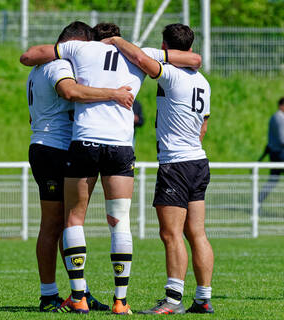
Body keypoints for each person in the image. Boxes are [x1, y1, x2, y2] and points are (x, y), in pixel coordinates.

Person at [20, 21, 202, 315]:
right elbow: (194, 59)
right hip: (117, 146)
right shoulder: (140, 54)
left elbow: (28, 56)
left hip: (80, 142)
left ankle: (78, 296)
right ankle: (120, 301)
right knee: (119, 221)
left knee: (71, 221)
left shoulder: (76, 51)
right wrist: (118, 82)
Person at [102, 23, 214, 314]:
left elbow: (143, 62)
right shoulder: (203, 81)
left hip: (176, 164)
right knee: (197, 233)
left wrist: (115, 40)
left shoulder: (173, 75)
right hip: (198, 160)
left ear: (166, 47)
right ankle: (203, 298)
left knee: (171, 234)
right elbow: (203, 127)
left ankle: (173, 300)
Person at [26, 21, 133, 313]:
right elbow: (72, 93)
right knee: (54, 224)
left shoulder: (39, 68)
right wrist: (113, 94)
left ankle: (79, 291)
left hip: (45, 146)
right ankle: (49, 295)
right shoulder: (60, 65)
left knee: (62, 223)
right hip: (54, 148)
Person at [259, 97, 284, 204]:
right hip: (279, 154)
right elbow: (282, 139)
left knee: (272, 180)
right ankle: (258, 201)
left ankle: (258, 201)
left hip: (276, 154)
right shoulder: (279, 118)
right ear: (281, 105)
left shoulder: (277, 117)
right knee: (273, 180)